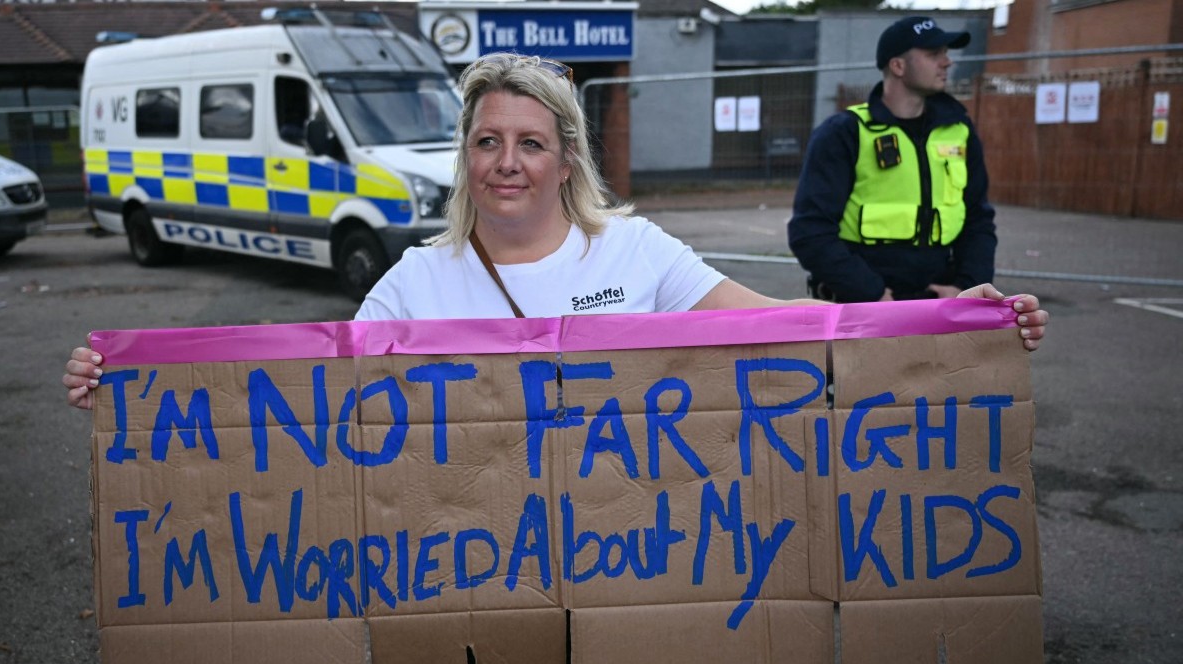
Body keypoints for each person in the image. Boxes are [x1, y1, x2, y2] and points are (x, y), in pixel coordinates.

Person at [64, 52, 1047, 410]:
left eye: (530, 142)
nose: (505, 162)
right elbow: (295, 391)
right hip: (469, 564)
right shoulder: (411, 282)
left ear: (565, 159)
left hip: (628, 557)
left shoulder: (636, 253)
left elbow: (786, 325)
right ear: (466, 156)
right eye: (486, 140)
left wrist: (945, 320)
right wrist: (134, 387)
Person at [788, 16, 996, 304]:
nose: (947, 62)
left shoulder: (958, 131)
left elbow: (978, 220)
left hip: (940, 304)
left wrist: (967, 286)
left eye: (946, 53)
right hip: (864, 307)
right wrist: (869, 292)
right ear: (898, 66)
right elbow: (810, 232)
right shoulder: (845, 132)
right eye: (934, 54)